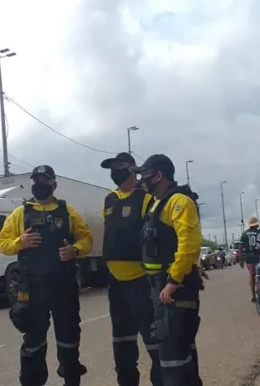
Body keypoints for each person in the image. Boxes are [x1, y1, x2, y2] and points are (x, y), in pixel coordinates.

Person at [0, 165, 93, 386]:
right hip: (32, 287)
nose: (39, 183)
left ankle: (71, 379)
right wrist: (19, 242)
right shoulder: (20, 213)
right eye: (36, 180)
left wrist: (75, 250)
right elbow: (3, 244)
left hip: (63, 285)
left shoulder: (67, 211)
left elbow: (86, 239)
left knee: (69, 339)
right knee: (33, 341)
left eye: (45, 180)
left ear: (54, 184)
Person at [132, 154, 203, 386]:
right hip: (160, 288)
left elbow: (189, 244)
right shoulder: (156, 204)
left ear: (158, 175)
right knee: (177, 355)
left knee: (175, 358)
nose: (141, 179)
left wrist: (174, 281)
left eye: (144, 174)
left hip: (174, 290)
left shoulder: (179, 201)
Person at [99, 152, 162, 386]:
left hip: (141, 280)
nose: (114, 171)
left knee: (154, 342)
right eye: (111, 167)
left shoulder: (145, 198)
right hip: (116, 283)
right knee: (122, 344)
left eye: (119, 166)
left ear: (132, 169)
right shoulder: (109, 199)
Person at [238, 216, 260, 302]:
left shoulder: (244, 234)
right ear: (257, 225)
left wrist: (240, 259)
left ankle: (253, 295)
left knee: (252, 276)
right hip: (259, 257)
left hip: (249, 258)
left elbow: (240, 247)